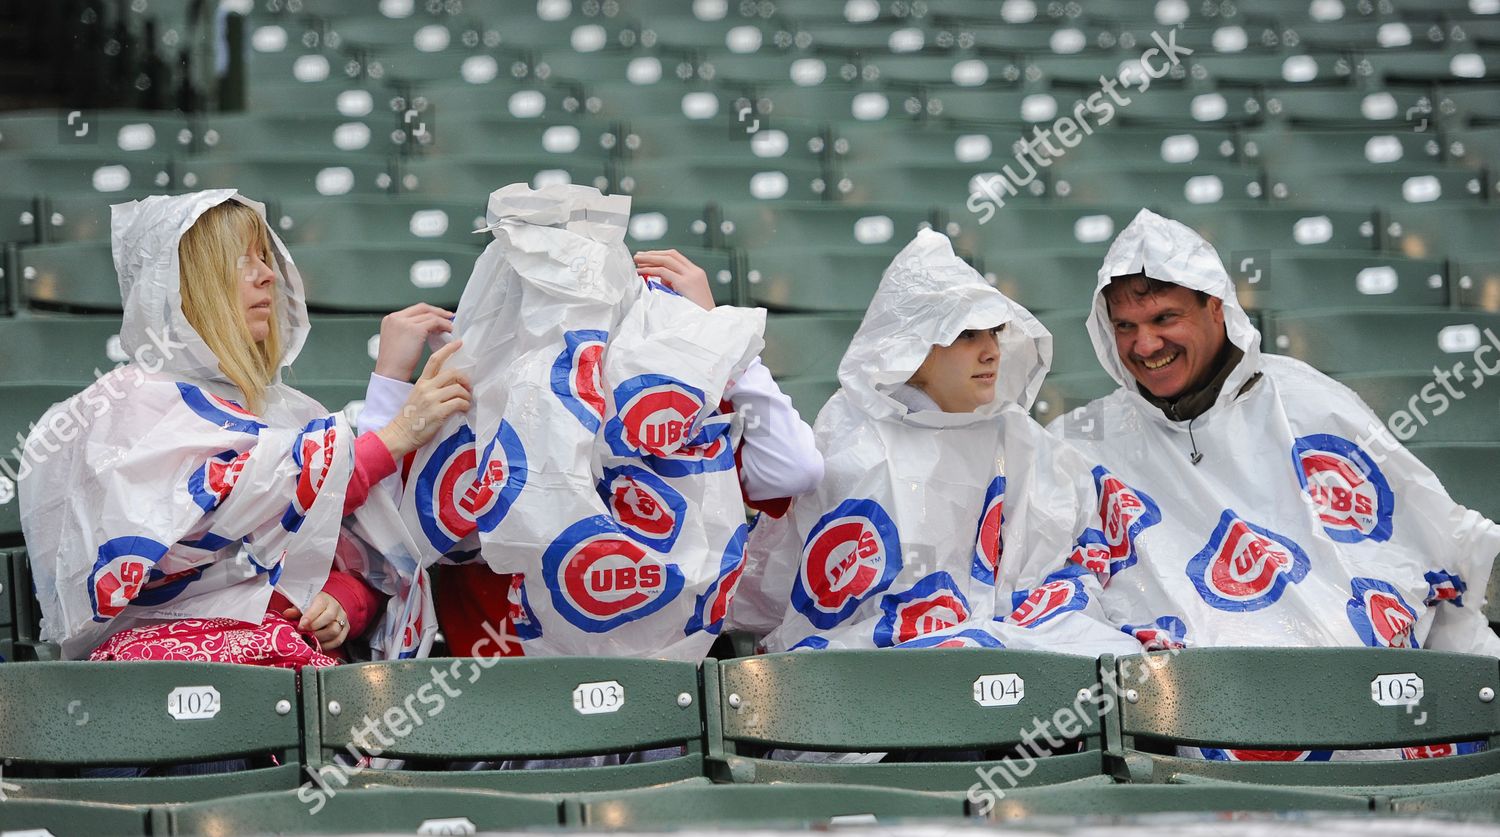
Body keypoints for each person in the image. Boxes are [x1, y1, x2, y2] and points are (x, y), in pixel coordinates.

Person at [1049, 208, 1500, 759]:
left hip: (1360, 690)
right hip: (1188, 707)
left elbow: (1427, 546)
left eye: (1164, 318)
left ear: (1215, 306)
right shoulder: (1083, 441)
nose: (1144, 346)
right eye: (1125, 326)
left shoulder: (1308, 402)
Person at [20, 190, 470, 667]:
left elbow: (362, 551)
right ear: (184, 284)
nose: (268, 274)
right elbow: (239, 504)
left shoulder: (287, 412)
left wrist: (342, 603)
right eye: (241, 261)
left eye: (265, 257)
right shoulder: (120, 407)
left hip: (289, 666)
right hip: (165, 677)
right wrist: (395, 434)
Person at [359, 248, 822, 658]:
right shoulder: (461, 404)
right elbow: (377, 539)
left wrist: (719, 342)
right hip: (504, 699)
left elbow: (793, 471)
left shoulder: (664, 406)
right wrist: (390, 382)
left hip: (660, 690)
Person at [734, 229, 1140, 658]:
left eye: (994, 333)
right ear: (915, 349)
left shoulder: (1018, 436)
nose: (990, 352)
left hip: (1006, 644)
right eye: (967, 335)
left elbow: (1058, 557)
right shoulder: (856, 439)